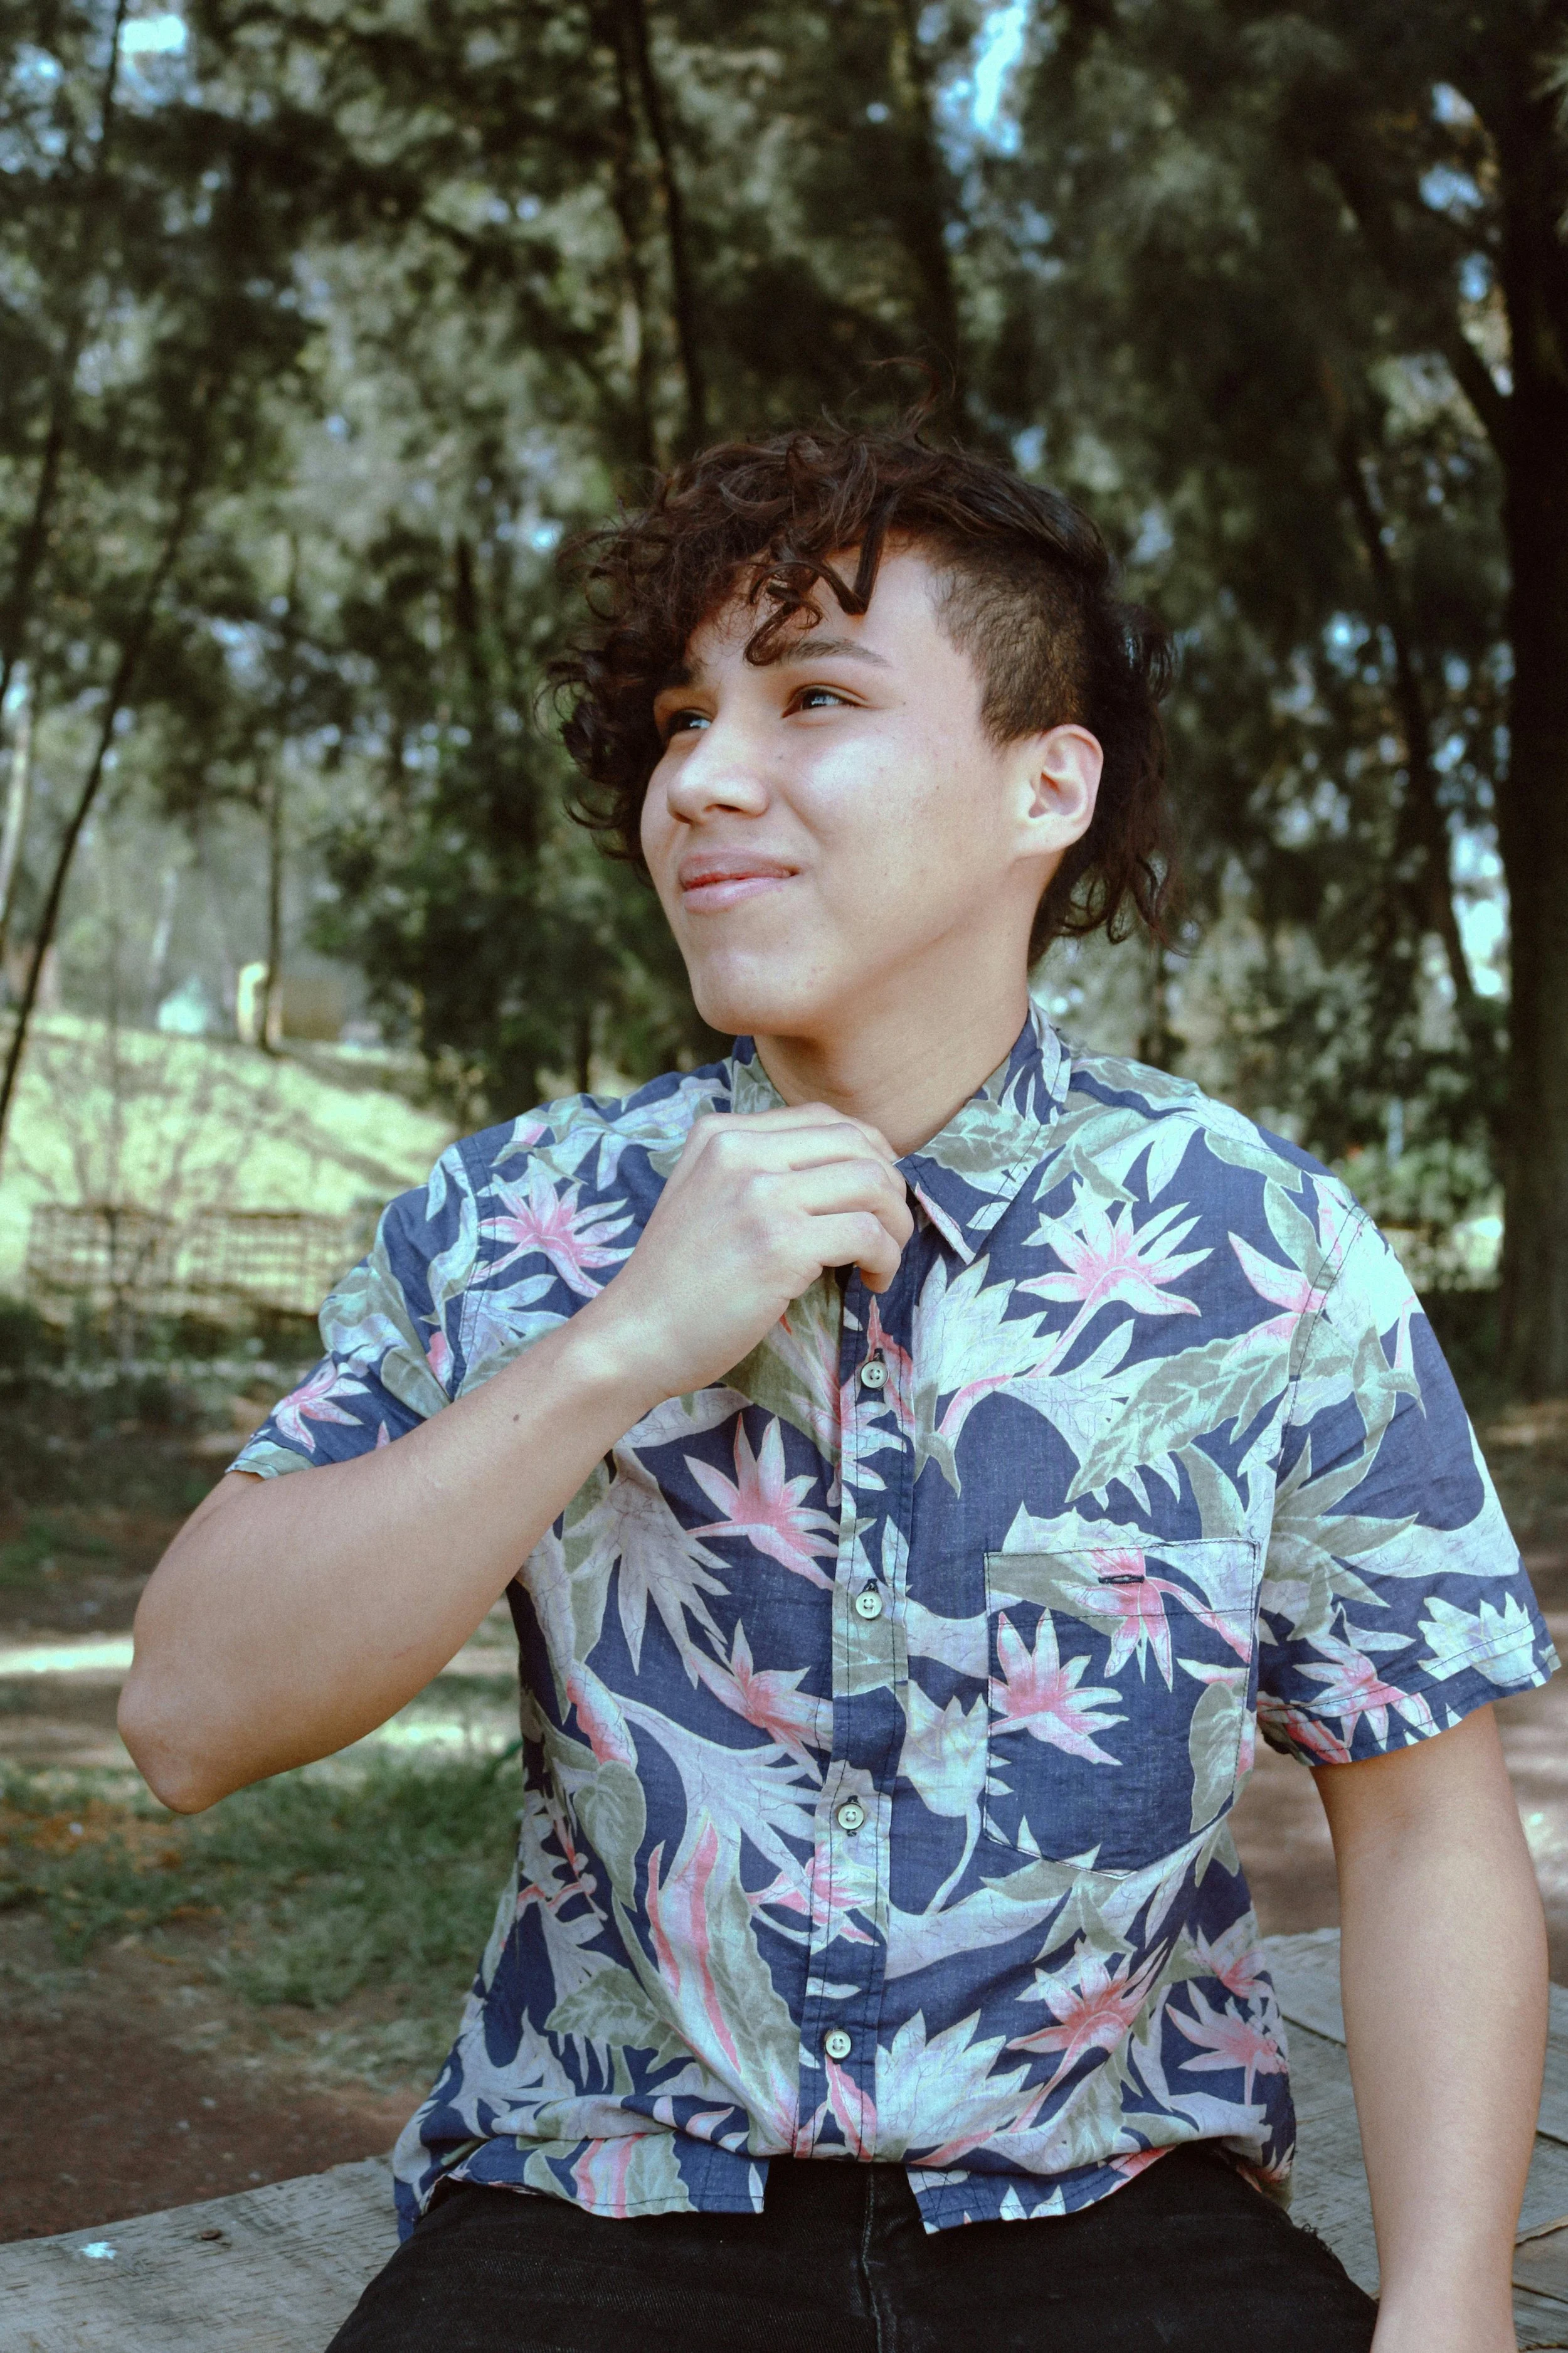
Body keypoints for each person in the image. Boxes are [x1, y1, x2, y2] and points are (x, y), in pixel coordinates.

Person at [120, 423, 1555, 2353]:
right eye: (679, 717)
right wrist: (620, 1339)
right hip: (603, 2195)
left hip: (1112, 2202)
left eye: (812, 697)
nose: (702, 777)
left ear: (1047, 782)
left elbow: (1426, 1817)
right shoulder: (517, 1222)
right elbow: (188, 1716)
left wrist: (1448, 2307)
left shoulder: (1258, 1245)